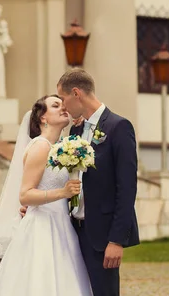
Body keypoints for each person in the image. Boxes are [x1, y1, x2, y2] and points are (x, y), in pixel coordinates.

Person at [0, 95, 93, 295]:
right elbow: (25, 195)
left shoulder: (59, 148)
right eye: (55, 105)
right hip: (43, 227)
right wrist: (62, 192)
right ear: (43, 117)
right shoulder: (41, 146)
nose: (63, 108)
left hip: (62, 224)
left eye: (63, 104)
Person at [56, 68, 140, 296]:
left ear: (76, 93)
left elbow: (127, 187)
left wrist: (116, 240)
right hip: (72, 232)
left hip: (102, 237)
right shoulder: (75, 129)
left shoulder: (119, 127)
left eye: (62, 99)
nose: (62, 106)